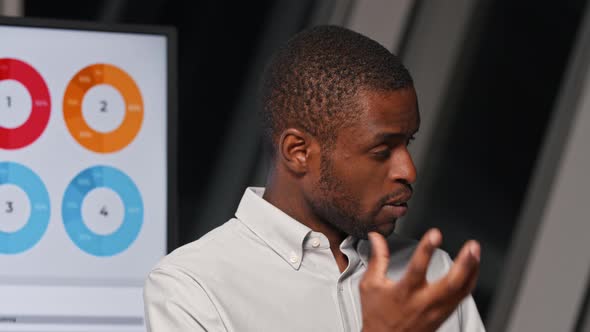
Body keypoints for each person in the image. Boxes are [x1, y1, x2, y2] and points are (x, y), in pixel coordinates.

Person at [144, 25, 485, 331]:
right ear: (298, 152)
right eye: (382, 150)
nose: (408, 171)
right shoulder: (191, 289)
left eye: (407, 143)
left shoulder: (432, 274)